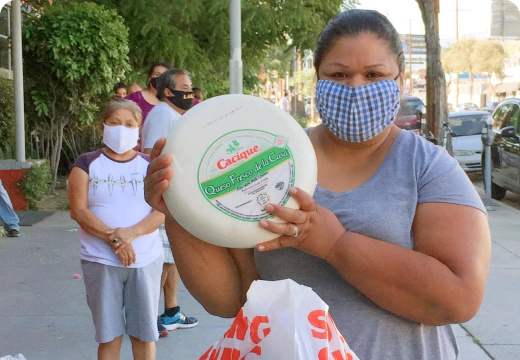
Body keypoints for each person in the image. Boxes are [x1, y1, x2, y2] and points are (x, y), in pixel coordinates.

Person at [143, 9, 491, 360]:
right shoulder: (271, 161)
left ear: (399, 81)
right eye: (339, 74)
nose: (356, 88)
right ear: (318, 80)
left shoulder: (428, 167)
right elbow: (232, 298)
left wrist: (334, 245)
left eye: (374, 74)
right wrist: (179, 207)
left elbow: (458, 299)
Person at [68, 99, 165, 359]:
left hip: (144, 260)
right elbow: (79, 210)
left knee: (144, 335)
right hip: (100, 261)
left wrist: (131, 234)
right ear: (103, 127)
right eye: (114, 123)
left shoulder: (149, 165)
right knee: (109, 335)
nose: (121, 129)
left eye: (129, 124)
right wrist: (115, 241)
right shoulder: (86, 163)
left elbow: (162, 211)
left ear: (138, 130)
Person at [141, 68, 199, 332]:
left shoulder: (174, 115)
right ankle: (150, 316)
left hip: (175, 197)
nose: (189, 91)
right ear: (167, 91)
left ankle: (170, 311)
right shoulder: (163, 115)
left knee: (171, 256)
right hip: (165, 197)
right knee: (163, 259)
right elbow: (151, 154)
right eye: (184, 86)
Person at [126, 61, 171, 127]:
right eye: (157, 74)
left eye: (164, 76)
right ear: (150, 77)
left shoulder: (173, 102)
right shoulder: (134, 98)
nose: (161, 78)